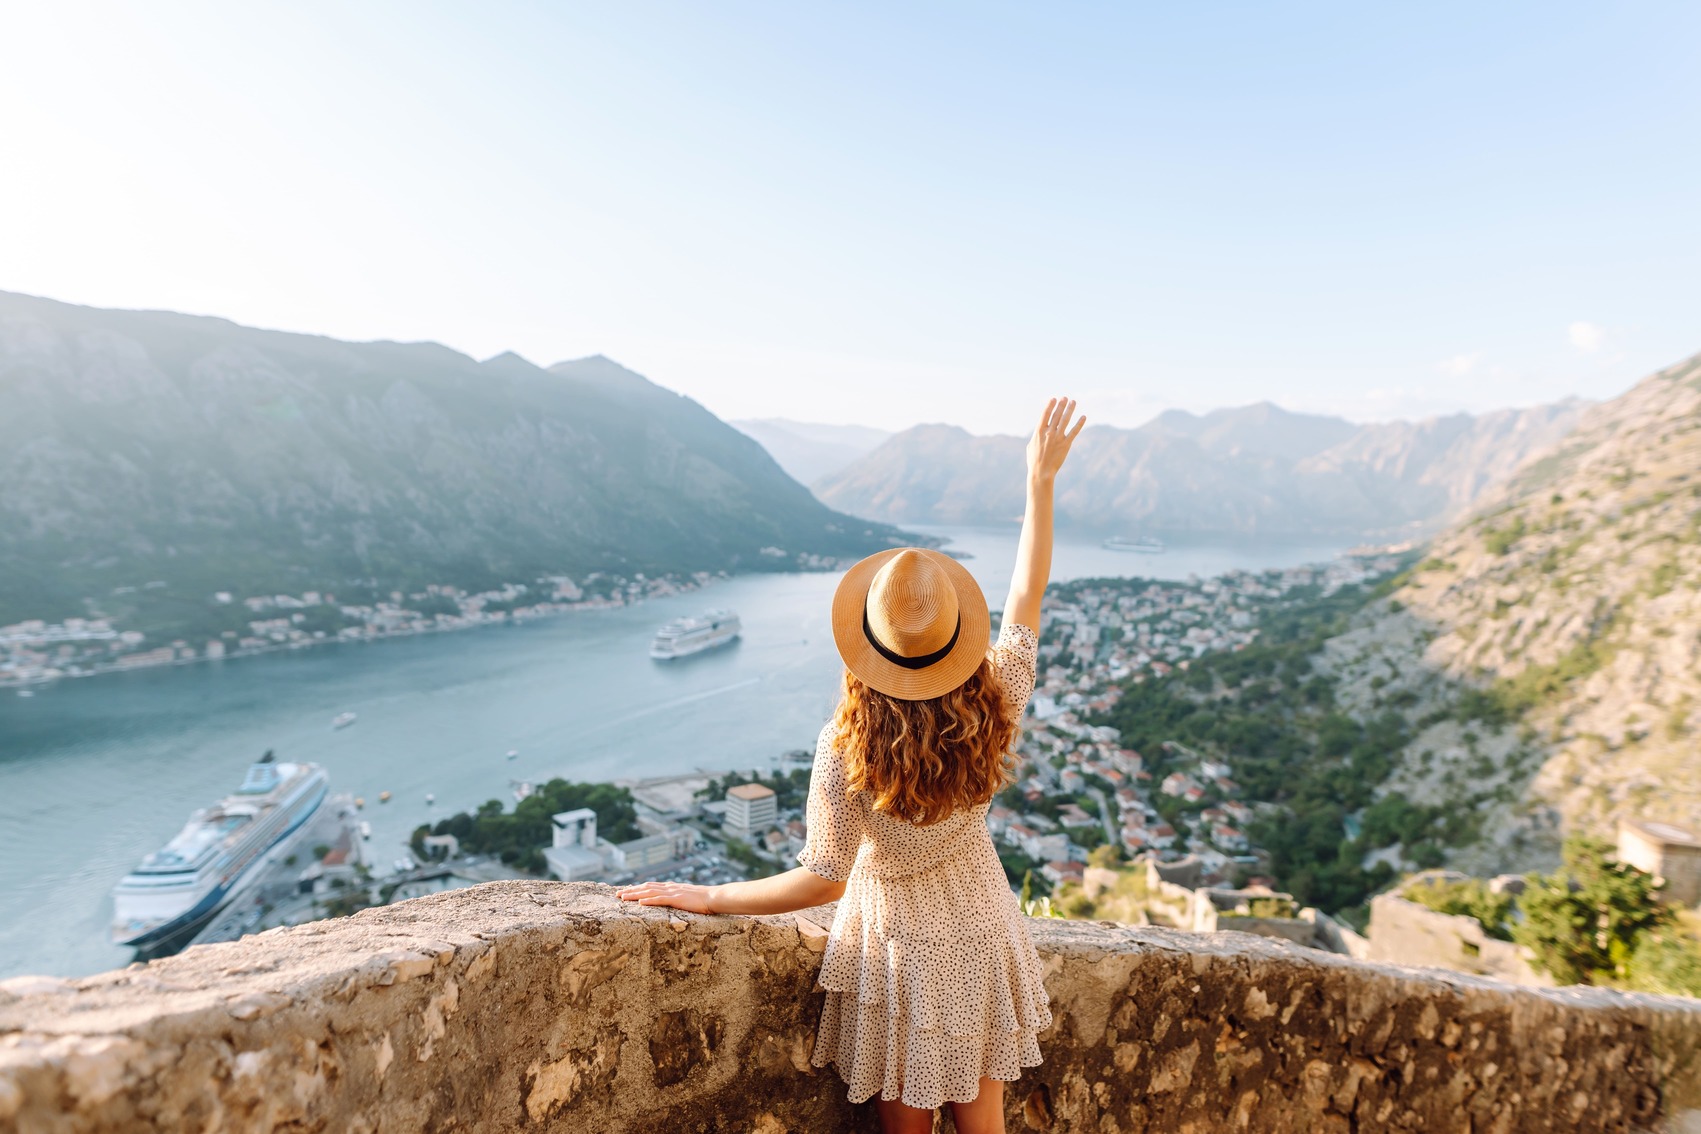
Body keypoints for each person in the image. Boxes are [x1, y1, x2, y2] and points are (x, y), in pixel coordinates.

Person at [618, 398, 1086, 1134]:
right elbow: (1027, 598)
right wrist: (1039, 482)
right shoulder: (995, 702)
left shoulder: (848, 747)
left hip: (899, 952)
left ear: (869, 645)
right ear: (955, 638)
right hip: (983, 927)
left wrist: (712, 899)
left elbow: (823, 876)